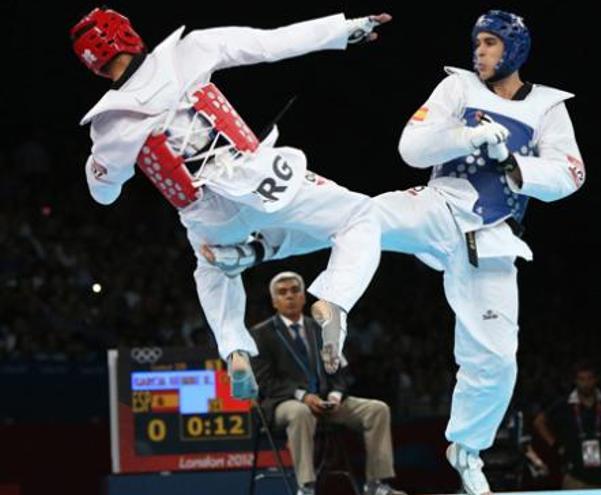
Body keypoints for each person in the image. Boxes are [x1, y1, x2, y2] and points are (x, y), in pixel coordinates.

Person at [70, 7, 390, 397]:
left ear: (97, 67)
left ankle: (235, 348)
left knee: (211, 270)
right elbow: (271, 43)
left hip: (208, 214)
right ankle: (335, 300)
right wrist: (344, 30)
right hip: (258, 177)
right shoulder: (189, 50)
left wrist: (99, 160)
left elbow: (105, 194)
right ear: (130, 35)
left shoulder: (110, 124)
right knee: (359, 216)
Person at [374, 10, 585, 495]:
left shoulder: (548, 108)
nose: (480, 52)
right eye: (478, 43)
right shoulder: (457, 88)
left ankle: (466, 449)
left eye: (489, 43)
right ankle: (266, 237)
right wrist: (467, 136)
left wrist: (512, 162)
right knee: (364, 217)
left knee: (497, 360)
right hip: (438, 208)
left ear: (513, 49)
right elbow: (412, 147)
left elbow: (571, 175)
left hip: (492, 236)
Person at [250, 271, 405, 495]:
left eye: (295, 291)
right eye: (283, 293)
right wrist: (303, 396)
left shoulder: (321, 329)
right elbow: (265, 382)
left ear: (304, 297)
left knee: (377, 409)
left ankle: (376, 485)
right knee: (300, 412)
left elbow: (340, 371)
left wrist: (335, 395)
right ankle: (307, 487)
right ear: (274, 301)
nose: (290, 296)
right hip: (284, 404)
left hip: (326, 402)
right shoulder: (261, 335)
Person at [532, 361, 601, 489]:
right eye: (582, 379)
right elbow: (539, 421)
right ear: (575, 381)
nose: (586, 383)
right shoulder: (564, 404)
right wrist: (555, 444)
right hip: (575, 476)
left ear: (596, 379)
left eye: (589, 378)